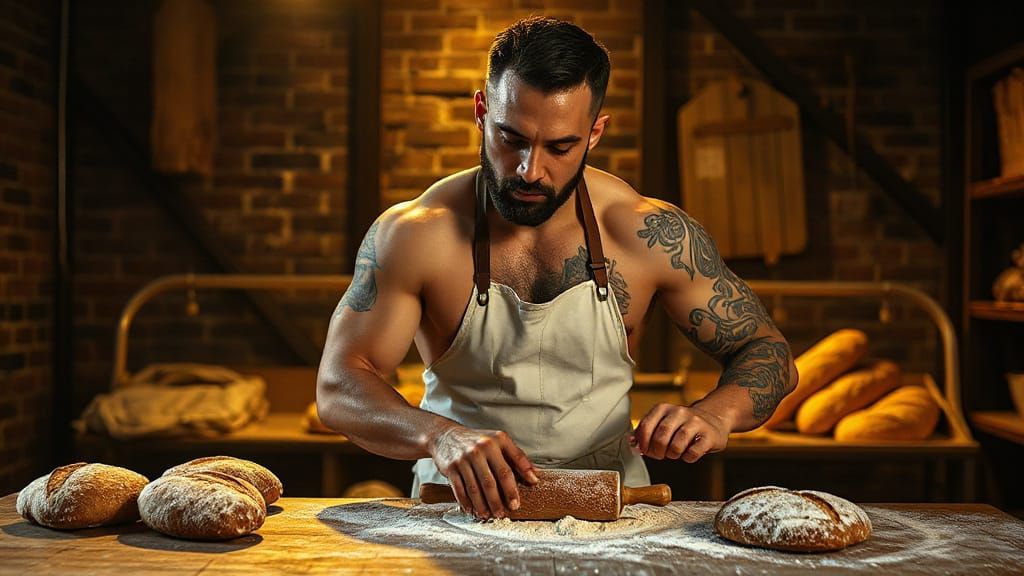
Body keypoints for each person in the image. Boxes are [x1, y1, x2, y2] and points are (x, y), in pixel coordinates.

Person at [317, 16, 797, 520]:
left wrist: (716, 414)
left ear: (594, 133)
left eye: (560, 147)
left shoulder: (649, 235)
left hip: (611, 510)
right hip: (459, 509)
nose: (530, 169)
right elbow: (338, 385)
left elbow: (770, 353)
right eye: (511, 138)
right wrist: (439, 436)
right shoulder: (415, 234)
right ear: (481, 113)